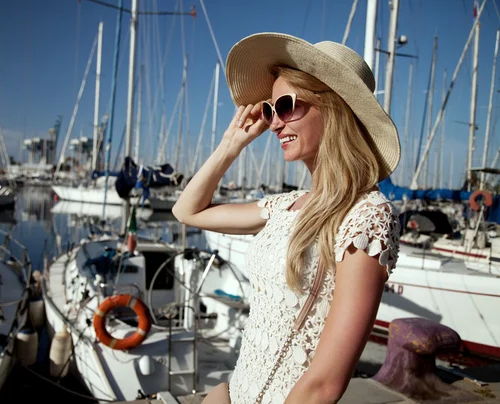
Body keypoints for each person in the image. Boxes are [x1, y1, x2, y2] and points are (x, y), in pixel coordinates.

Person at [172, 32, 401, 404]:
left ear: (334, 107)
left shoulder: (367, 217)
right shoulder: (285, 206)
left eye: (285, 105)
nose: (274, 123)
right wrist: (231, 144)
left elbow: (324, 383)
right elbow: (187, 211)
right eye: (269, 110)